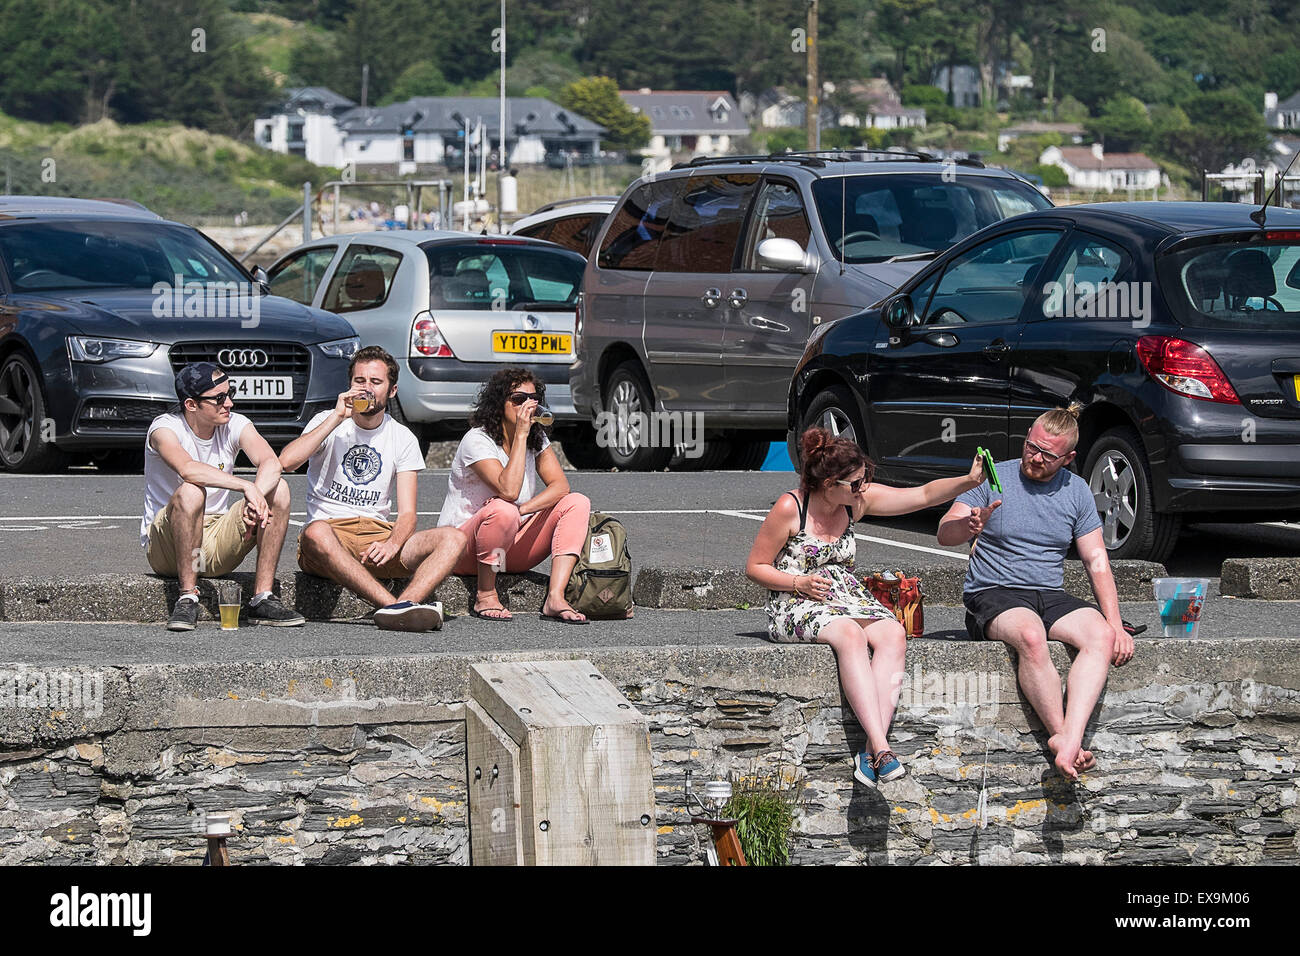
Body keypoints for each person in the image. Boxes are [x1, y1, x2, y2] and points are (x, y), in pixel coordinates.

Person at [746, 427, 986, 786]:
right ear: (829, 483)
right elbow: (755, 567)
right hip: (795, 598)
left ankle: (873, 750)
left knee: (892, 632)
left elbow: (921, 495)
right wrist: (799, 582)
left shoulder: (857, 501)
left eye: (864, 480)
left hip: (844, 595)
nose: (863, 488)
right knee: (849, 636)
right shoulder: (790, 507)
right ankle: (881, 747)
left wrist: (968, 481)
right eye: (855, 483)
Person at [937, 406, 1135, 780]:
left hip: (1048, 592)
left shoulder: (1075, 490)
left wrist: (1116, 623)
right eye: (1032, 447)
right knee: (1031, 635)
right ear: (1027, 435)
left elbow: (1096, 561)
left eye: (1048, 455)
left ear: (1069, 458)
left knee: (1101, 636)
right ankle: (1061, 736)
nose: (1036, 458)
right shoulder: (994, 478)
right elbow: (944, 532)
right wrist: (969, 525)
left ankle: (1068, 740)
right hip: (993, 591)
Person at [281, 347, 466, 631]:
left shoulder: (402, 437)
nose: (366, 388)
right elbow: (287, 462)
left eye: (375, 382)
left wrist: (392, 543)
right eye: (359, 381)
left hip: (377, 537)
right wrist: (336, 418)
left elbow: (407, 515)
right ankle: (396, 608)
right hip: (329, 535)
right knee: (315, 531)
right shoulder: (327, 421)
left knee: (453, 538)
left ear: (392, 391)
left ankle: (406, 602)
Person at [142, 362, 305, 631]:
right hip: (168, 545)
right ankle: (187, 597)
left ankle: (262, 597)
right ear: (191, 405)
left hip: (214, 542)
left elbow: (271, 462)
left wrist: (257, 496)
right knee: (192, 491)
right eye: (219, 398)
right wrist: (245, 486)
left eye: (230, 394)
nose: (228, 403)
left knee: (279, 489)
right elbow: (188, 469)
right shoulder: (164, 428)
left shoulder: (234, 424)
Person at [439, 368, 592, 623]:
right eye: (519, 399)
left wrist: (522, 512)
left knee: (577, 502)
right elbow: (508, 490)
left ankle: (555, 597)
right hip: (462, 550)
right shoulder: (476, 440)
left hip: (505, 547)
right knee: (503, 509)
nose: (527, 406)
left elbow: (560, 486)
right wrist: (521, 434)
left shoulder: (536, 437)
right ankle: (486, 594)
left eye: (533, 399)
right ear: (500, 403)